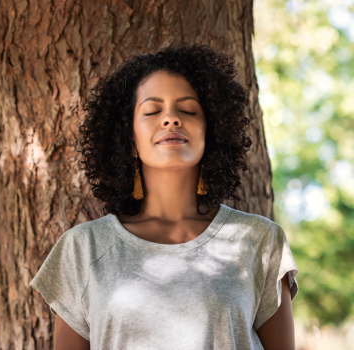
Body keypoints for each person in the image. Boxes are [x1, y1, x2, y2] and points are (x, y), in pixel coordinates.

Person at [29, 43, 298, 350]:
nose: (171, 118)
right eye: (153, 110)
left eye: (187, 109)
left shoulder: (260, 240)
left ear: (212, 132)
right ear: (129, 138)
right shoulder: (82, 248)